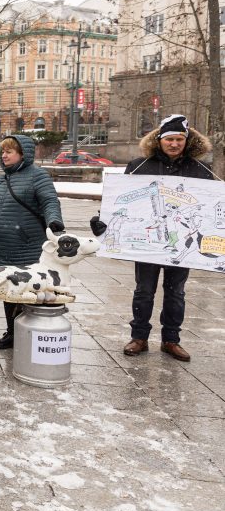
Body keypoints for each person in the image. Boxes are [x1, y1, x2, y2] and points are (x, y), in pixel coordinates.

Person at [90, 115, 215, 362]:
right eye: (169, 139)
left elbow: (210, 207)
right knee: (144, 291)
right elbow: (121, 199)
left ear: (186, 141)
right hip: (148, 245)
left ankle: (171, 340)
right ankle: (139, 337)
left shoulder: (200, 170)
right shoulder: (140, 166)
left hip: (180, 242)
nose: (174, 144)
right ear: (159, 140)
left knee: (176, 292)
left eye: (179, 139)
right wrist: (101, 220)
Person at [0, 134, 63, 350]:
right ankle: (12, 333)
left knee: (26, 293)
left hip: (25, 248)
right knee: (8, 292)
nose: (3, 155)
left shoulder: (37, 176)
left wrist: (54, 221)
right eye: (2, 151)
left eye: (9, 151)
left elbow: (50, 201)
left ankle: (27, 335)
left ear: (23, 154)